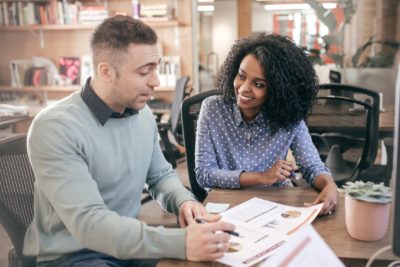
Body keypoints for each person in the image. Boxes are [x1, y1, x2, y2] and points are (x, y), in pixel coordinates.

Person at [24, 15, 234, 267]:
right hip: (73, 255)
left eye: (156, 67)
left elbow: (159, 176)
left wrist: (184, 200)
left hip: (127, 243)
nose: (155, 81)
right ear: (106, 71)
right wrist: (181, 242)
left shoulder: (141, 114)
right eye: (145, 71)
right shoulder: (56, 127)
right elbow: (89, 225)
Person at [195, 33, 337, 215]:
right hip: (226, 203)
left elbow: (312, 167)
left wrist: (329, 185)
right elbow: (204, 174)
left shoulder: (289, 117)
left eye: (259, 84)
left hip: (275, 203)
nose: (244, 88)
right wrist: (261, 177)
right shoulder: (213, 109)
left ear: (278, 90)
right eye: (241, 76)